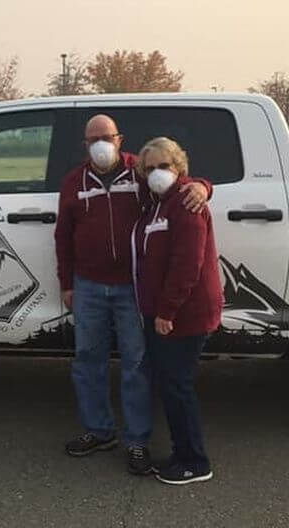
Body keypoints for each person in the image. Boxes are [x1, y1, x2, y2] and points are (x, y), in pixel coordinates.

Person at [54, 115, 211, 475]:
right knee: (87, 361)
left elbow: (177, 186)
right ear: (85, 145)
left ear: (120, 139)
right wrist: (67, 283)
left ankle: (137, 441)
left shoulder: (140, 173)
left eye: (106, 137)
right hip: (88, 285)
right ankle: (98, 430)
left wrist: (204, 185)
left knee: (136, 365)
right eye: (92, 139)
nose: (100, 144)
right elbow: (63, 236)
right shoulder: (72, 183)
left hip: (132, 287)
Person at [133, 137, 222, 485]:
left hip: (183, 313)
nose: (157, 173)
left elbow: (188, 264)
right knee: (171, 384)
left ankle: (194, 461)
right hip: (167, 312)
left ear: (180, 167)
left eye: (164, 166)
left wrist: (166, 312)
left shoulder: (185, 201)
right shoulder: (158, 203)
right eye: (150, 168)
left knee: (177, 385)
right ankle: (182, 452)